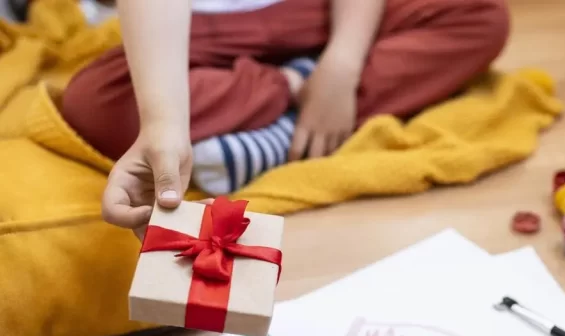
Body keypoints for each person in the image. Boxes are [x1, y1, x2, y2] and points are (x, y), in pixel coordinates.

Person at [60, 0, 510, 234]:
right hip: (195, 25)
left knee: (481, 15)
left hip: (316, 13)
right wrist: (164, 122)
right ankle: (299, 94)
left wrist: (343, 63)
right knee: (94, 102)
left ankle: (284, 130)